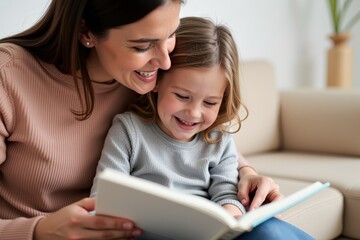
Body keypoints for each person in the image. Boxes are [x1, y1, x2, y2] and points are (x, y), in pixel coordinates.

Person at [0, 0, 286, 239]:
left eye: (171, 35)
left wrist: (246, 174)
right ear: (86, 30)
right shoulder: (8, 76)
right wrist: (38, 230)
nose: (165, 63)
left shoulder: (146, 83)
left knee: (269, 231)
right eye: (143, 46)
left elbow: (202, 140)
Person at [91, 16, 315, 240]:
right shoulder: (129, 130)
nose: (194, 113)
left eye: (210, 103)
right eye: (182, 96)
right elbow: (103, 195)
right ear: (157, 81)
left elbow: (227, 194)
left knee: (271, 230)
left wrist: (231, 221)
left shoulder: (219, 139)